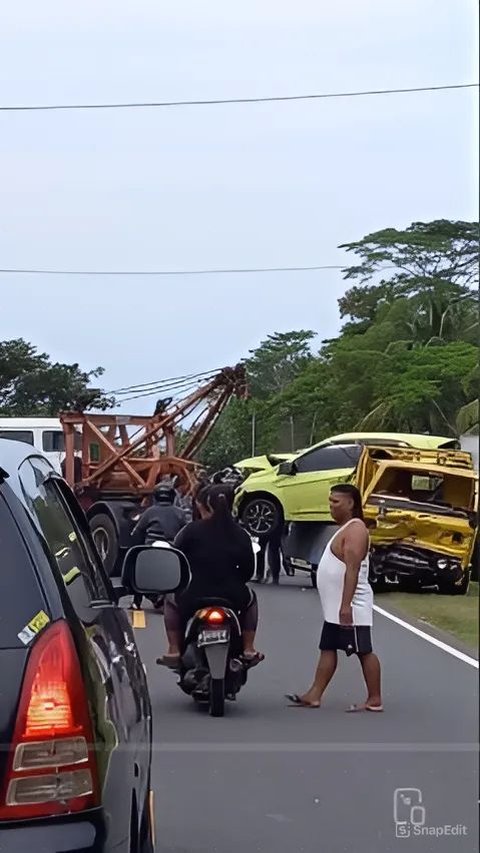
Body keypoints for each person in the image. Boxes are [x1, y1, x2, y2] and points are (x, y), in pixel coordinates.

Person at [286, 484, 382, 712]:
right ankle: (314, 694)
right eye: (330, 502)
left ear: (351, 503)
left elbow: (353, 569)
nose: (331, 507)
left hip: (351, 605)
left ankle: (375, 698)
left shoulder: (356, 529)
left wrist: (346, 605)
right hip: (335, 608)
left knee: (363, 650)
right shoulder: (344, 528)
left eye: (336, 502)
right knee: (327, 647)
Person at [157, 483, 265, 669]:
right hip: (233, 595)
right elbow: (248, 571)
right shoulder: (241, 534)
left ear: (205, 505)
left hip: (194, 594)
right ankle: (248, 648)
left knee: (170, 599)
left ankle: (174, 649)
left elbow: (175, 561)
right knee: (251, 599)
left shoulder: (191, 531)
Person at [130, 483, 187, 609]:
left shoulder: (149, 512)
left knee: (136, 570)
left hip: (151, 547)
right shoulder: (180, 513)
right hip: (173, 549)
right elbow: (185, 530)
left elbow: (137, 531)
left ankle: (136, 602)